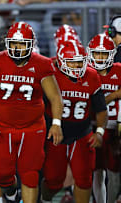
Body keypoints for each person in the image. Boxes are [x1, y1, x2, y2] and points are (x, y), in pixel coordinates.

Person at [0, 21, 63, 202]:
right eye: (14, 43)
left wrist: (56, 123)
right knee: (1, 174)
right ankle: (10, 191)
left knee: (30, 175)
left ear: (31, 45)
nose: (17, 48)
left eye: (22, 44)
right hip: (2, 127)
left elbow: (55, 97)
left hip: (32, 128)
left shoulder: (42, 64)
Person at [41, 40, 107, 203]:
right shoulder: (50, 73)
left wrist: (99, 133)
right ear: (61, 61)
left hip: (81, 133)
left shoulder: (91, 76)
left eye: (80, 62)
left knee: (84, 179)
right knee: (53, 180)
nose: (77, 67)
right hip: (55, 133)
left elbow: (101, 109)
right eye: (72, 62)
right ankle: (45, 199)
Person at [87, 33, 121, 203]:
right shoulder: (85, 72)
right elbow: (92, 102)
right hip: (95, 128)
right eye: (97, 53)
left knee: (114, 172)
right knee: (96, 171)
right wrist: (115, 94)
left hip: (116, 127)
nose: (100, 58)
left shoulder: (119, 69)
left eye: (104, 54)